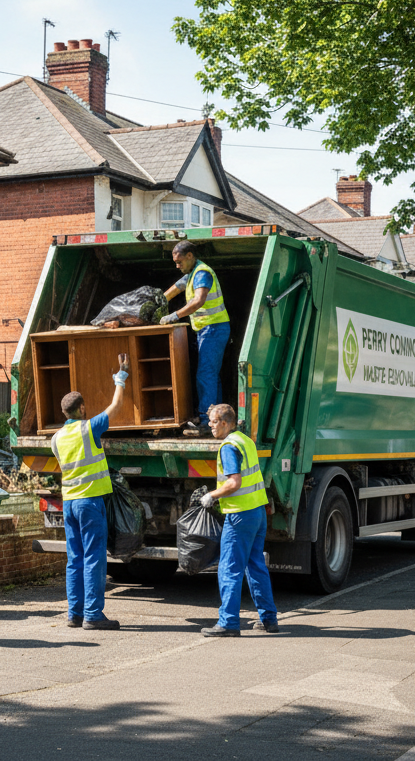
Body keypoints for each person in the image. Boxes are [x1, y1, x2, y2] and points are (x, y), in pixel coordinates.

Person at [53, 354, 130, 631]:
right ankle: (93, 615)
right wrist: (120, 377)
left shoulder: (56, 438)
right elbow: (116, 405)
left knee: (74, 559)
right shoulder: (90, 429)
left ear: (65, 413)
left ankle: (75, 613)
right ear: (83, 408)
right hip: (89, 503)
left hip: (69, 504)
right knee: (94, 558)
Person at [198, 404, 278, 637]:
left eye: (213, 421)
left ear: (225, 422)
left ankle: (229, 623)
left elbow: (234, 482)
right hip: (257, 512)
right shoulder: (245, 440)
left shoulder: (228, 446)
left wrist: (210, 496)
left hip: (240, 515)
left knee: (230, 568)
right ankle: (269, 619)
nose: (210, 425)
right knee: (255, 566)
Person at [159, 240, 229, 428]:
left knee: (205, 374)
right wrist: (155, 301)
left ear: (190, 256)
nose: (177, 265)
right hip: (208, 330)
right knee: (211, 375)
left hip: (214, 329)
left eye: (179, 261)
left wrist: (175, 315)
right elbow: (174, 290)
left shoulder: (202, 274)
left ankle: (207, 422)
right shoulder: (191, 274)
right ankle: (219, 419)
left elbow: (198, 301)